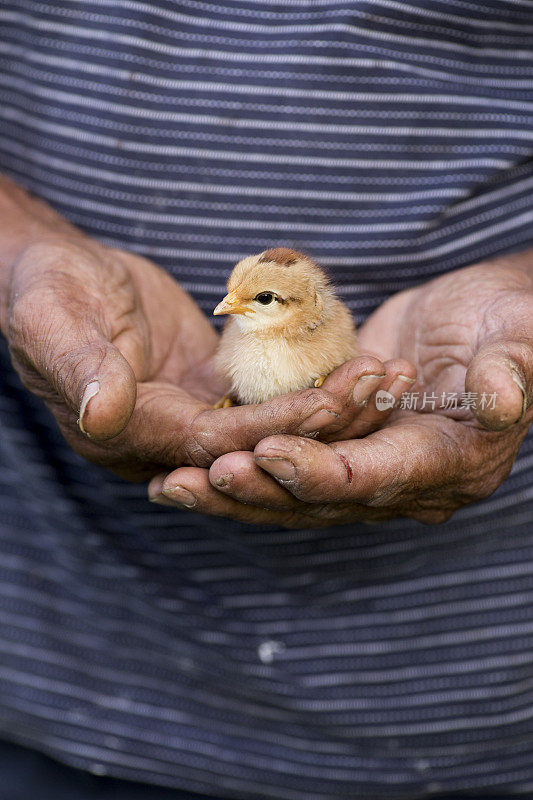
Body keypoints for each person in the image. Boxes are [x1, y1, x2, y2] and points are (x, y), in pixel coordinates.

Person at [1, 1, 533, 797]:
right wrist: (17, 254)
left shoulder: (315, 335)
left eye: (258, 303)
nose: (232, 311)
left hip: (470, 700)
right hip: (56, 657)